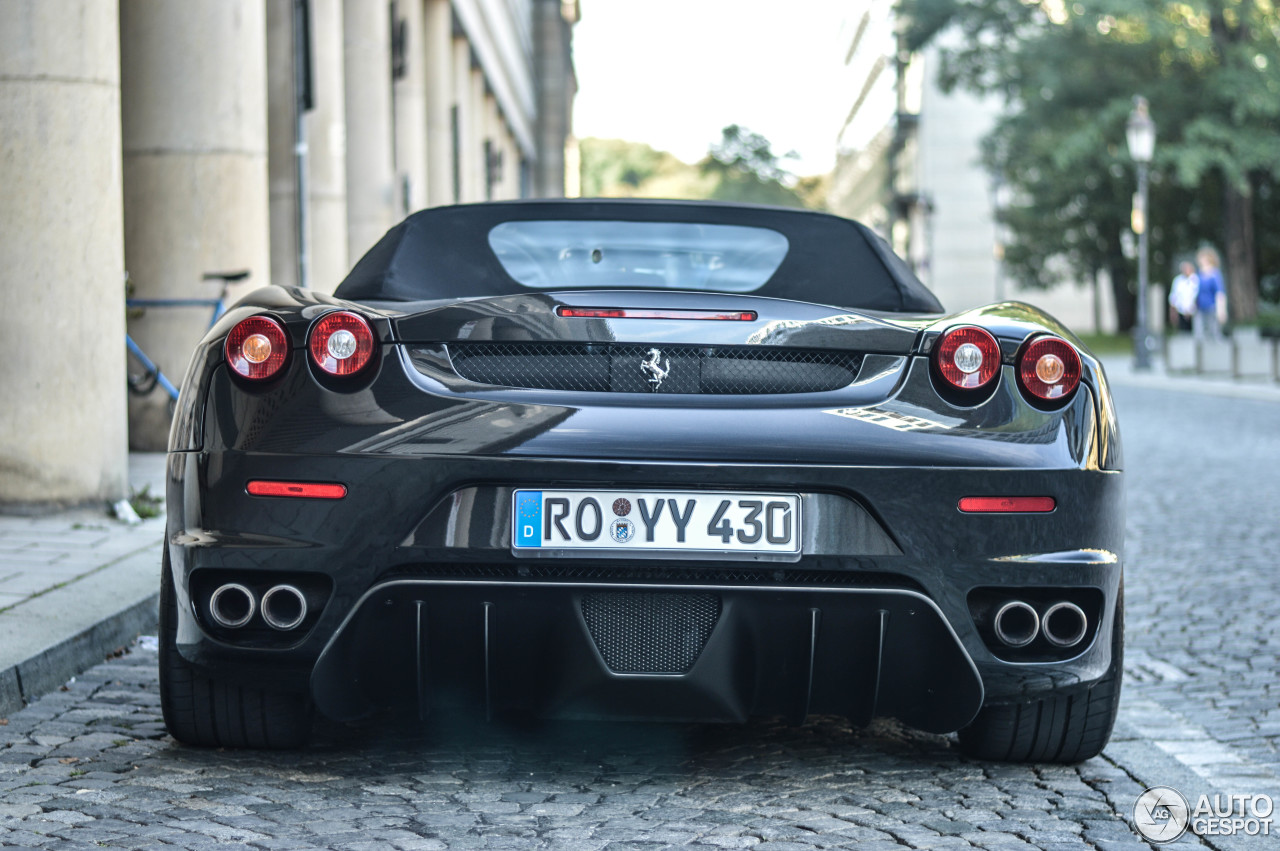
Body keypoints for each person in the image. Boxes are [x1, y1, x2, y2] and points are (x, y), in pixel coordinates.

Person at [1193, 247, 1227, 341]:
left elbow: (1220, 293)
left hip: (1212, 307)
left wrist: (1221, 311)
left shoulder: (1215, 274)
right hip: (1200, 308)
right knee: (1199, 334)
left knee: (1214, 333)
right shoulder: (1199, 274)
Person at [1168, 261, 1198, 333]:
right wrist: (1172, 311)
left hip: (1194, 312)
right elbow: (1174, 297)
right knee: (1183, 334)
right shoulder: (1178, 281)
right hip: (1181, 311)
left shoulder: (1196, 280)